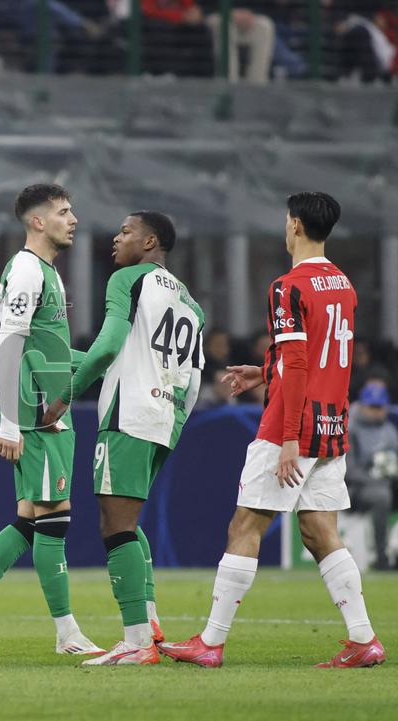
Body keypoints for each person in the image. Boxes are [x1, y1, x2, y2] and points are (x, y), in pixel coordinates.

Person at [160, 192, 387, 669]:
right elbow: (319, 354)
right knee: (321, 530)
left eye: (287, 220)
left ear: (298, 226)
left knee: (245, 525)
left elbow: (301, 362)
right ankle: (364, 639)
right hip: (331, 425)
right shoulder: (342, 283)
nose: (285, 227)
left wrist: (287, 439)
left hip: (293, 425)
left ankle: (211, 643)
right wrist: (263, 371)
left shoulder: (288, 287)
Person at [45, 210, 205, 666]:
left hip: (128, 414)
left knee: (114, 526)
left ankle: (136, 642)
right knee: (127, 520)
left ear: (150, 241)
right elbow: (184, 374)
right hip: (165, 418)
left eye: (126, 231)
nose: (116, 239)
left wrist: (65, 395)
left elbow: (111, 345)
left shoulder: (127, 280)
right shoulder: (191, 302)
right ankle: (149, 624)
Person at [0, 184, 102, 657]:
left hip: (46, 414)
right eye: (63, 211)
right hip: (40, 417)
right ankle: (66, 634)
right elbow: (9, 345)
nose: (72, 218)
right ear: (37, 221)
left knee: (29, 519)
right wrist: (10, 422)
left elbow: (47, 349)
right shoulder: (25, 270)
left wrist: (105, 359)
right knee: (54, 519)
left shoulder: (47, 273)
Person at [346, 381, 398, 571]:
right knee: (381, 495)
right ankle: (381, 556)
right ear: (362, 405)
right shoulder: (350, 428)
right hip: (357, 489)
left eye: (380, 407)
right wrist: (376, 479)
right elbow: (349, 470)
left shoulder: (389, 430)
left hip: (386, 483)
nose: (376, 411)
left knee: (384, 492)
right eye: (372, 407)